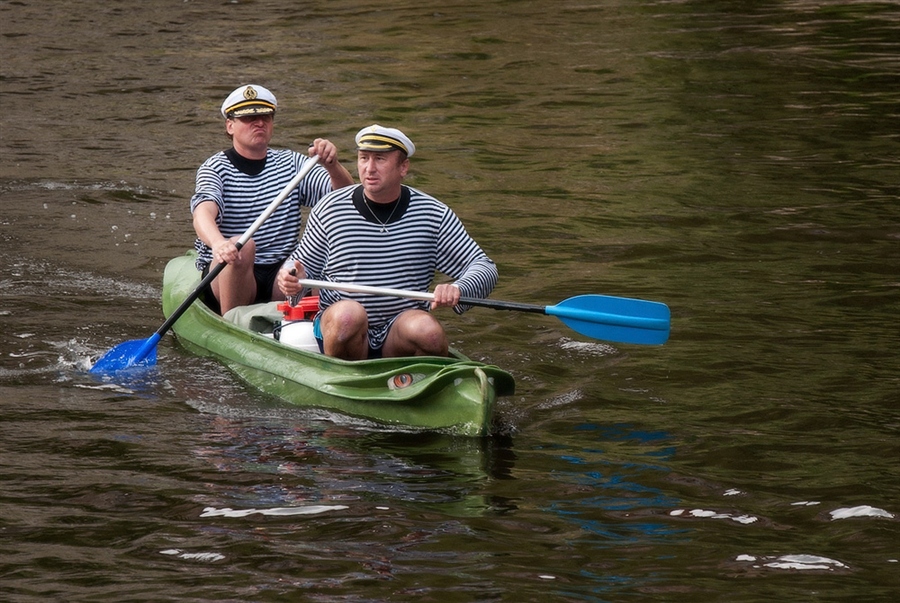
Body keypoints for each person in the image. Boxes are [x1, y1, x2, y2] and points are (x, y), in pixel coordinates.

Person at [276, 124, 498, 360]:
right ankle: (350, 379)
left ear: (403, 167)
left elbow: (485, 267)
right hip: (341, 326)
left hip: (399, 327)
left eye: (380, 159)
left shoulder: (433, 213)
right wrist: (291, 276)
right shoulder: (330, 208)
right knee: (349, 316)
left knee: (430, 334)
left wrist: (458, 288)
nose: (369, 169)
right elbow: (300, 266)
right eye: (363, 158)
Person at [191, 84, 354, 315]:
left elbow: (346, 200)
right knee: (243, 246)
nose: (259, 123)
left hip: (280, 272)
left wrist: (333, 166)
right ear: (230, 126)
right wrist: (219, 243)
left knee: (311, 257)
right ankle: (231, 324)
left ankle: (309, 325)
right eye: (249, 118)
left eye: (265, 117)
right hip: (230, 269)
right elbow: (202, 213)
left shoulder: (293, 164)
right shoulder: (215, 168)